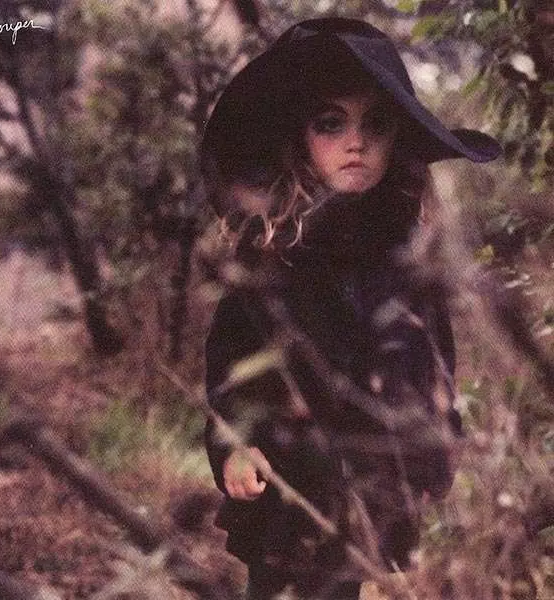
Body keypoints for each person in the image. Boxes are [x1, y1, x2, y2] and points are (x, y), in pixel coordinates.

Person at [200, 17, 501, 600]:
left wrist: (437, 446)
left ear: (397, 139)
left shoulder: (407, 253)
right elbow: (229, 365)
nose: (356, 142)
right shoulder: (271, 252)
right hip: (284, 483)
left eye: (376, 124)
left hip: (369, 487)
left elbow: (434, 362)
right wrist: (233, 445)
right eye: (331, 123)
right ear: (302, 137)